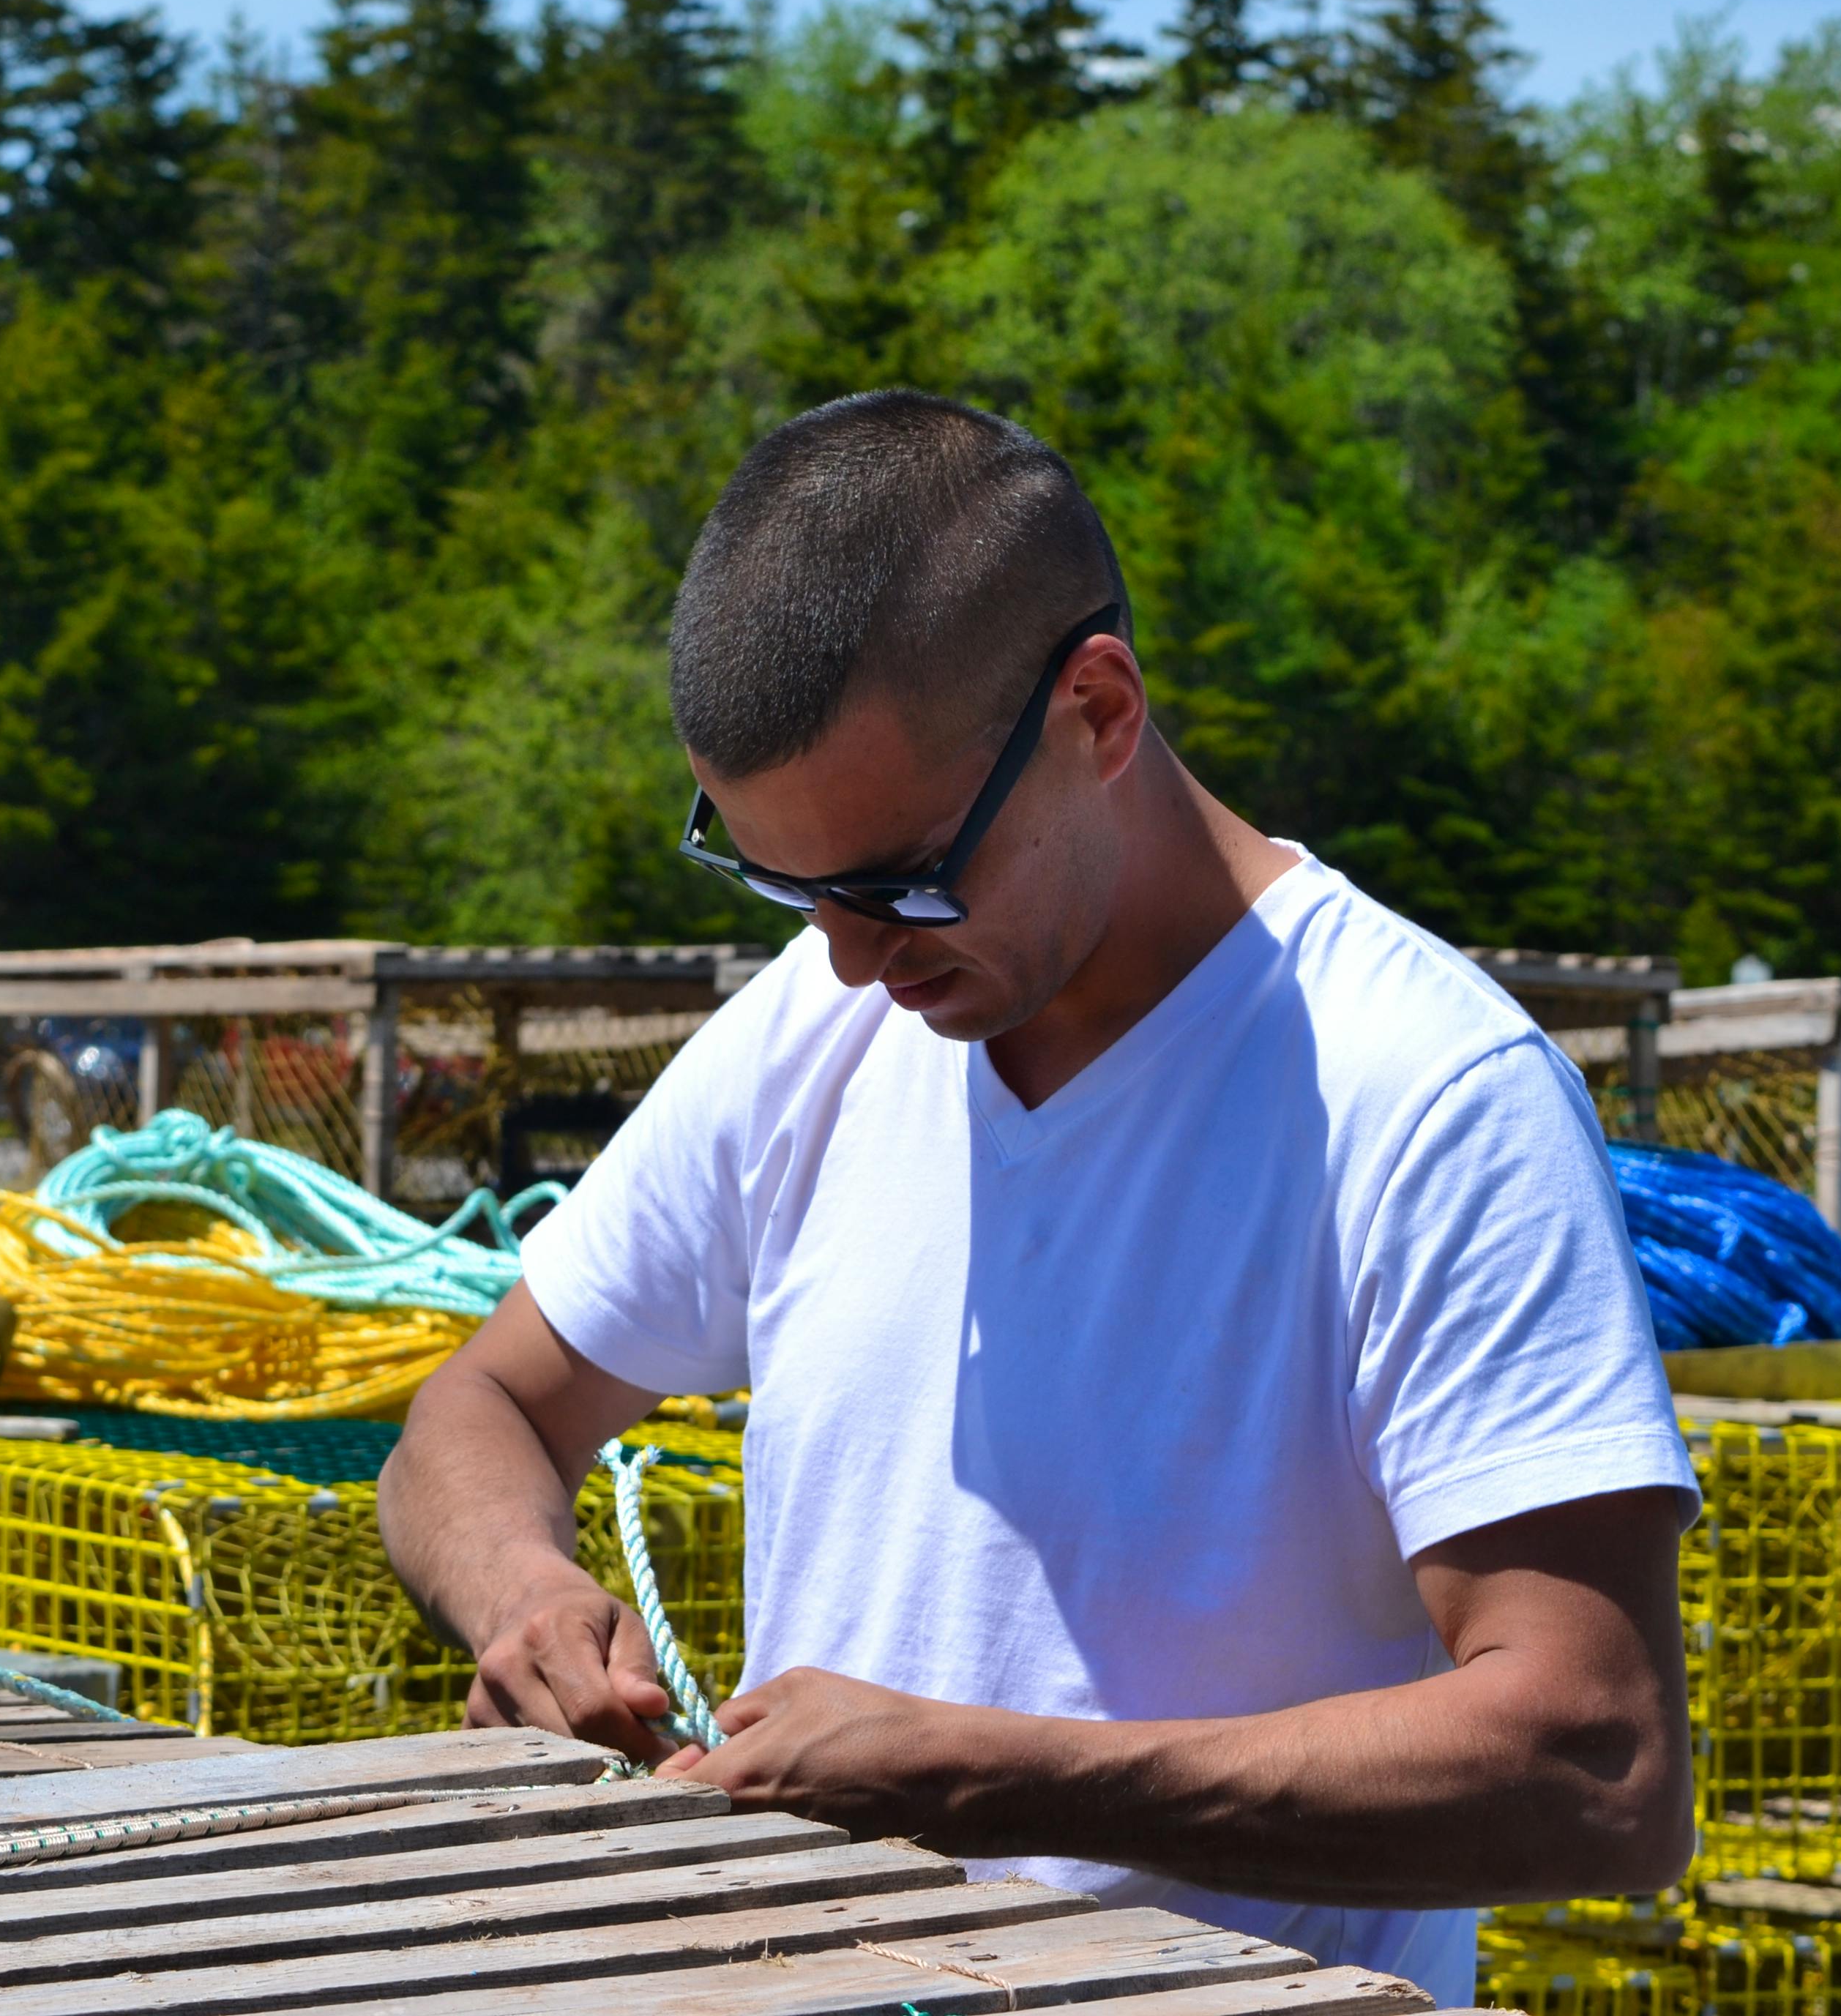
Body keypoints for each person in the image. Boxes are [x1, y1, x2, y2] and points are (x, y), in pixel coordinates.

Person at [378, 389, 1697, 2007]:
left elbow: (1599, 1761)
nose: (855, 953)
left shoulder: (1422, 1099)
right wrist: (522, 1594)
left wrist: (995, 1779)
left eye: (901, 879)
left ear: (1099, 709)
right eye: (787, 883)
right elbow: (485, 1407)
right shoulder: (822, 1023)